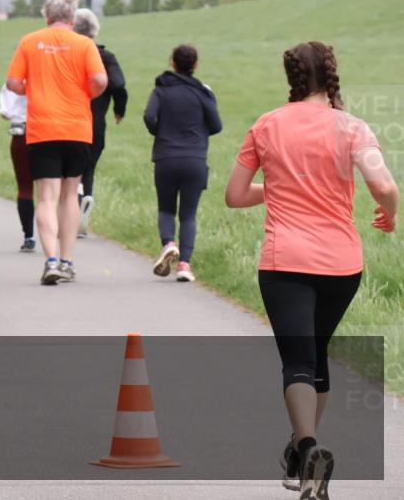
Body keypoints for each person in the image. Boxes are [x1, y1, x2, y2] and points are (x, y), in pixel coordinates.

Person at [224, 41, 398, 499]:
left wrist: (283, 187)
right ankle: (302, 457)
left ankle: (307, 448)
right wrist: (391, 212)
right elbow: (384, 185)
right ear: (332, 74)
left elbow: (235, 195)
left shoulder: (266, 124)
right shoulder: (353, 126)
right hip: (342, 265)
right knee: (317, 355)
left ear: (292, 77)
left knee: (298, 362)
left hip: (286, 262)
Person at [6, 0, 107, 285]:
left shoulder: (29, 41)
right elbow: (100, 80)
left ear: (47, 16)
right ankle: (67, 260)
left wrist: (31, 89)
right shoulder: (84, 44)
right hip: (77, 128)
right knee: (70, 195)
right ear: (72, 17)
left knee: (47, 197)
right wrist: (87, 94)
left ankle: (50, 259)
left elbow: (13, 82)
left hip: (42, 128)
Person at [143, 44, 222, 282]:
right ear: (195, 65)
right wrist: (197, 135)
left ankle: (169, 243)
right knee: (188, 215)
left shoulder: (161, 90)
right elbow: (216, 125)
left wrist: (160, 132)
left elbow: (148, 116)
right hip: (195, 159)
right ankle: (185, 265)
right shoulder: (202, 92)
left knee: (166, 208)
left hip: (166, 158)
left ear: (173, 63)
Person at [72, 8, 128, 238]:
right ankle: (84, 209)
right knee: (88, 169)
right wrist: (118, 109)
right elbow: (119, 84)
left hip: (69, 121)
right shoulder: (106, 57)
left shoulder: (68, 54)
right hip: (95, 125)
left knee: (68, 171)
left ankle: (72, 212)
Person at [0, 83, 34, 251]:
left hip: (22, 134)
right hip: (50, 133)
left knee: (25, 188)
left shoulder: (15, 80)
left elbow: (5, 113)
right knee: (51, 193)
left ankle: (29, 237)